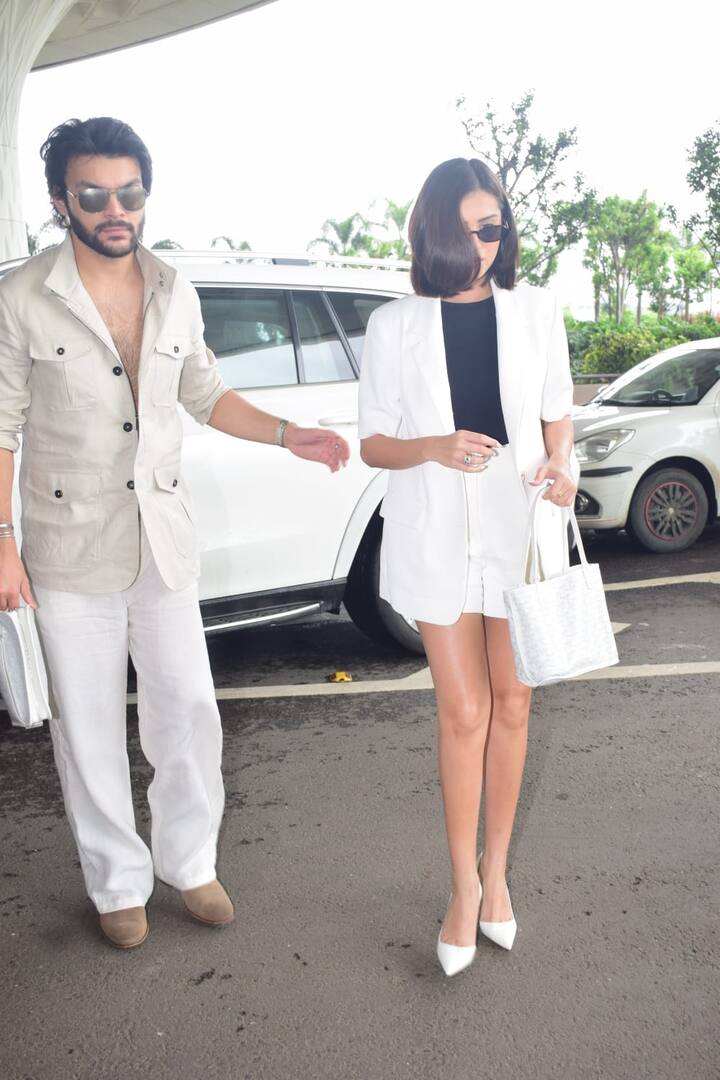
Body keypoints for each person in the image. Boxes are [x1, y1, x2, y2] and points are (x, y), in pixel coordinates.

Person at [0, 117, 349, 949]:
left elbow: (207, 394)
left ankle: (189, 863)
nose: (115, 208)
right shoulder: (19, 297)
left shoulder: (175, 290)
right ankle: (117, 882)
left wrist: (285, 433)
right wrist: (0, 538)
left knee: (188, 710)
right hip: (66, 542)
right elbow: (1, 425)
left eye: (129, 192)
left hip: (162, 537)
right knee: (85, 727)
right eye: (95, 194)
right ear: (63, 201)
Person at [358, 157, 578, 976]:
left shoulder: (536, 313)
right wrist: (434, 448)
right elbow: (373, 442)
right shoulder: (395, 326)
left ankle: (498, 875)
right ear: (434, 232)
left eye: (495, 228)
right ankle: (460, 888)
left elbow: (559, 422)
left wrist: (568, 468)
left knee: (513, 704)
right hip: (437, 530)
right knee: (462, 712)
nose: (484, 244)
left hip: (519, 524)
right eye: (468, 229)